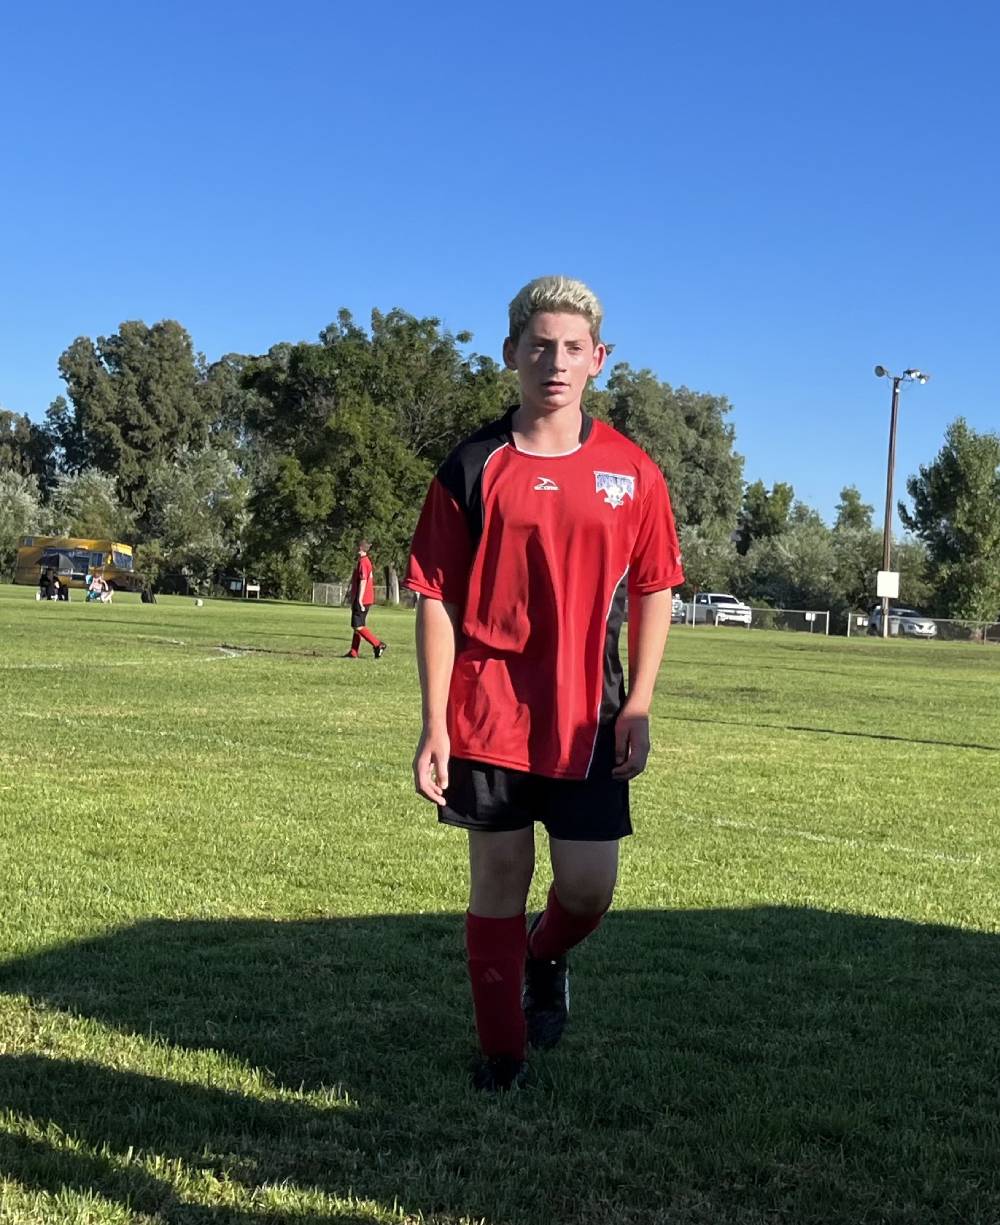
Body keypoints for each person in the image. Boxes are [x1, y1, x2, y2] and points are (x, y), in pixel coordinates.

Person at [404, 276, 684, 1092]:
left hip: (588, 715)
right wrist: (433, 721)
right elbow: (434, 597)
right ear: (511, 355)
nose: (554, 362)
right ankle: (502, 1055)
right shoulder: (470, 464)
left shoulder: (633, 471)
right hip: (488, 709)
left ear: (598, 359)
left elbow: (657, 584)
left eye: (571, 348)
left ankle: (546, 953)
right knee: (497, 878)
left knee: (589, 886)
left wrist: (639, 700)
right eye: (539, 346)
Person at [344, 541, 387, 659]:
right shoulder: (364, 561)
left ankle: (378, 644)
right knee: (357, 626)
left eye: (357, 546)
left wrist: (359, 600)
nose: (356, 548)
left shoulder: (363, 562)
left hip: (363, 599)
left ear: (361, 548)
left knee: (358, 626)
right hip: (364, 598)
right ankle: (353, 652)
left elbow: (363, 581)